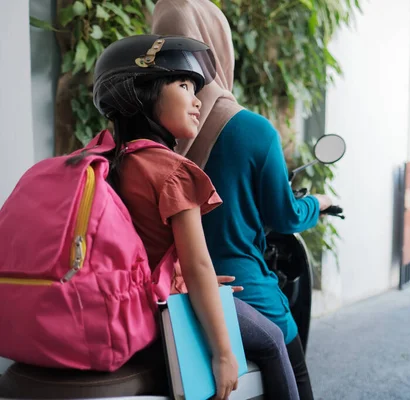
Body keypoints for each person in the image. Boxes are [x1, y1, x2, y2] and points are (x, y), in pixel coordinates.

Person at [91, 34, 300, 400]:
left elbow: (143, 246)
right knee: (272, 338)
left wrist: (181, 278)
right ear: (142, 94)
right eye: (184, 85)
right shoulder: (175, 172)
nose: (197, 99)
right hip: (170, 306)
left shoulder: (111, 161)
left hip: (138, 303)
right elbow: (199, 265)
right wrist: (223, 353)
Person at [152, 2, 333, 398]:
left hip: (163, 297)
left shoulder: (142, 137)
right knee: (294, 373)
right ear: (218, 49)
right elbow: (283, 216)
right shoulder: (252, 130)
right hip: (238, 290)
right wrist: (316, 203)